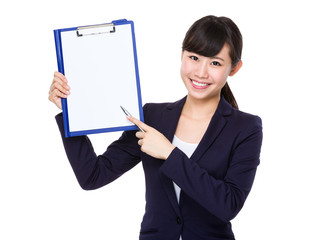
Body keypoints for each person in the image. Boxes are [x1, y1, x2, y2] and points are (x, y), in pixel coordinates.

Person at [49, 15, 263, 240]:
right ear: (182, 55)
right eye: (194, 57)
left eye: (215, 63)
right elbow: (92, 176)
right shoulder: (152, 116)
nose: (201, 72)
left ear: (234, 68)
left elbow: (228, 205)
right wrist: (70, 112)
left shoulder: (246, 128)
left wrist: (169, 153)